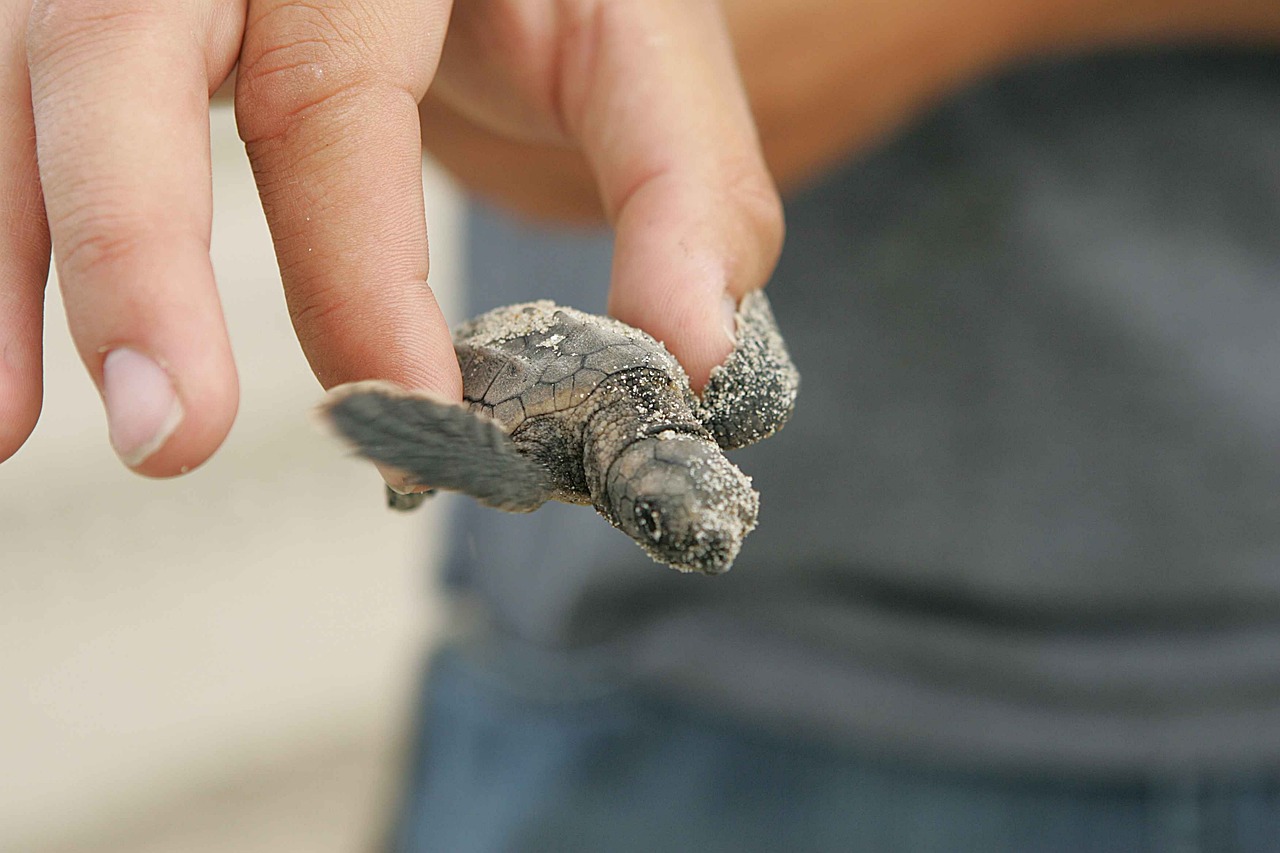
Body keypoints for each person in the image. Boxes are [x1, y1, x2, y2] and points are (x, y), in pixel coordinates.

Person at [4, 2, 1280, 851]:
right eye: (692, 512)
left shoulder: (641, 432)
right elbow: (553, 160)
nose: (702, 523)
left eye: (690, 519)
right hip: (703, 697)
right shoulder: (677, 407)